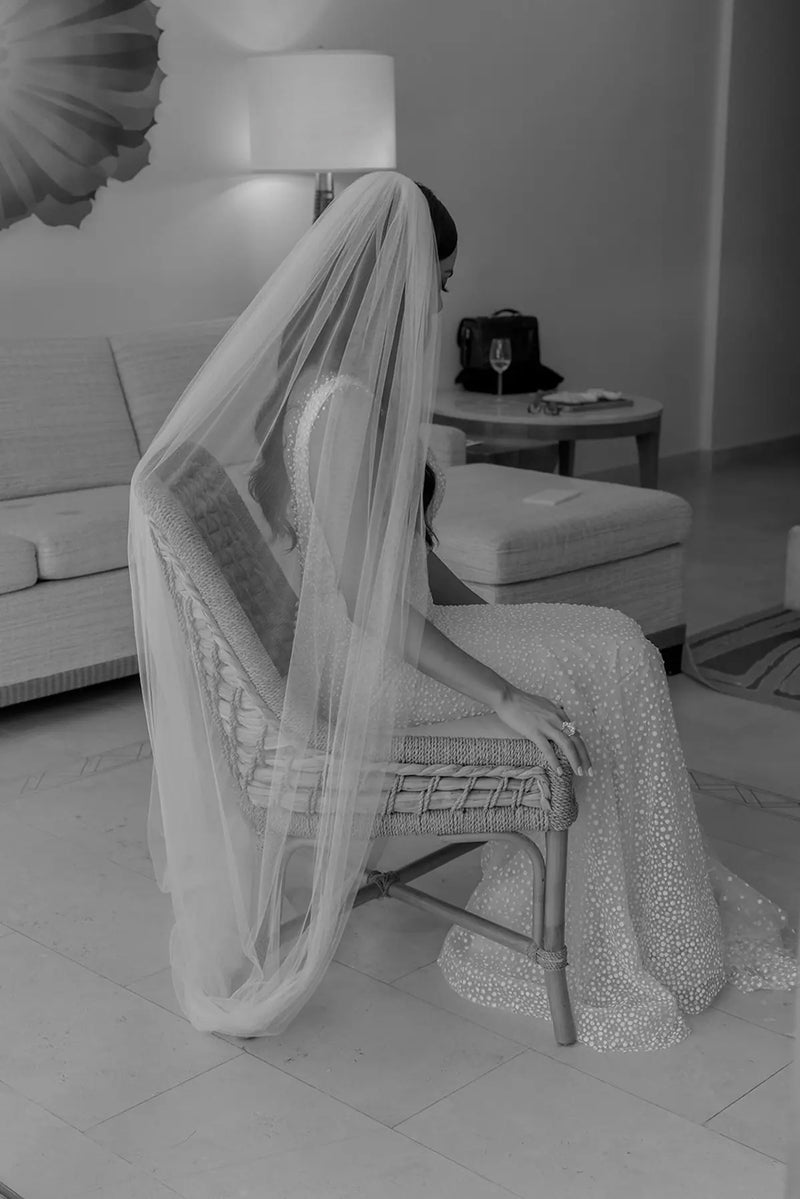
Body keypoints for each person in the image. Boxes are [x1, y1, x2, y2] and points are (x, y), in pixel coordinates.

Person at [128, 171, 795, 1049]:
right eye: (439, 277)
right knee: (620, 653)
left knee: (602, 641)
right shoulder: (342, 407)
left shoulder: (324, 385)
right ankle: (631, 929)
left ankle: (629, 907)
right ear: (395, 278)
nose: (447, 295)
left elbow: (415, 567)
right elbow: (374, 609)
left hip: (385, 645)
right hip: (373, 668)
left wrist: (515, 627)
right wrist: (505, 695)